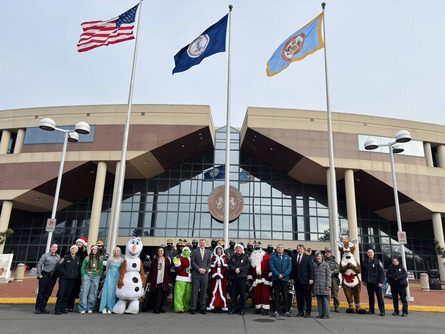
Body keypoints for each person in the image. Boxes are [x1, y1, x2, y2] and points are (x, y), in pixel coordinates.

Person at [54, 245, 81, 315]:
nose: (74, 250)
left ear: (77, 251)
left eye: (75, 249)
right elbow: (59, 266)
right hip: (64, 278)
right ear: (70, 250)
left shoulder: (78, 258)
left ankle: (63, 308)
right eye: (73, 249)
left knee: (68, 293)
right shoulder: (65, 257)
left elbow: (78, 268)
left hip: (72, 279)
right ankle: (57, 309)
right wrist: (64, 273)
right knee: (61, 293)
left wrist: (76, 274)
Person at [35, 243, 61, 314]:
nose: (54, 248)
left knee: (48, 293)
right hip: (45, 275)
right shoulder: (45, 255)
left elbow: (59, 266)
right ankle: (38, 308)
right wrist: (39, 274)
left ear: (57, 249)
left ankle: (43, 307)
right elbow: (39, 264)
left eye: (56, 247)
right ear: (50, 248)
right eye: (53, 247)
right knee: (41, 292)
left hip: (53, 277)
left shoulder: (58, 257)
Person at [269, 244, 292, 317]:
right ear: (276, 249)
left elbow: (289, 267)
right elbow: (271, 266)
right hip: (276, 278)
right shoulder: (273, 257)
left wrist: (283, 275)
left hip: (284, 279)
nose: (279, 249)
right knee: (276, 295)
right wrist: (278, 274)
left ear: (283, 249)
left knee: (285, 295)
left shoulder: (287, 257)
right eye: (278, 248)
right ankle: (276, 310)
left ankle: (286, 311)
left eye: (281, 248)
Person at [79, 244, 103, 313]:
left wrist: (99, 275)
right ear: (91, 250)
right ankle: (83, 308)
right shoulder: (87, 258)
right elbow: (83, 267)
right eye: (93, 249)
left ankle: (90, 307)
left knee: (93, 292)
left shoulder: (100, 259)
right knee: (84, 291)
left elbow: (101, 268)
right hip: (87, 276)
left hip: (96, 276)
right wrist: (84, 275)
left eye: (96, 249)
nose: (95, 250)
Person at [99, 247, 124, 314]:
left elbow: (122, 270)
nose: (116, 251)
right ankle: (104, 307)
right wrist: (106, 277)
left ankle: (111, 307)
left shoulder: (122, 260)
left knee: (114, 292)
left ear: (120, 252)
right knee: (107, 291)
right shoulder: (110, 259)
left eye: (117, 250)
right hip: (109, 277)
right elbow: (106, 269)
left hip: (117, 277)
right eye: (115, 250)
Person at [249, 243, 272, 315]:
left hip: (265, 278)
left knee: (265, 294)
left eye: (258, 249)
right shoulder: (251, 257)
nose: (257, 250)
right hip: (256, 279)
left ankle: (265, 309)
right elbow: (249, 268)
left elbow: (271, 266)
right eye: (256, 249)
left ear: (261, 249)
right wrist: (250, 277)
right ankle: (258, 308)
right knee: (257, 294)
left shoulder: (266, 257)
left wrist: (270, 276)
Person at [292, 244, 314, 318]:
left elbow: (311, 269)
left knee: (308, 297)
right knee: (299, 297)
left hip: (306, 281)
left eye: (301, 249)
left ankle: (308, 312)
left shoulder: (308, 258)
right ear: (297, 250)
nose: (299, 250)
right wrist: (292, 278)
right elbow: (292, 269)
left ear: (303, 250)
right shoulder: (294, 257)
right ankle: (300, 311)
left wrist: (311, 278)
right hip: (297, 281)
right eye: (298, 249)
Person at [228, 243, 251, 315]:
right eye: (237, 248)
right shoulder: (232, 257)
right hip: (234, 277)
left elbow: (248, 265)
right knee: (234, 294)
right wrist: (234, 269)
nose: (238, 249)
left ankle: (242, 308)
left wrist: (240, 269)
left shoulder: (245, 257)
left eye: (240, 248)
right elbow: (229, 265)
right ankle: (234, 307)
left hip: (242, 277)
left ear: (242, 249)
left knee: (242, 293)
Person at [147, 246, 171, 314]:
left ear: (164, 252)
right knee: (157, 294)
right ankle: (156, 308)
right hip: (156, 280)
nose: (160, 252)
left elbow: (168, 271)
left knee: (163, 294)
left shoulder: (166, 260)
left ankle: (161, 307)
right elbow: (151, 270)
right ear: (157, 252)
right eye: (159, 251)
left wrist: (169, 280)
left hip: (164, 280)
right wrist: (149, 281)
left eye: (161, 251)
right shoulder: (154, 260)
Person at [190, 239, 212, 314]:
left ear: (205, 244)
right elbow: (192, 262)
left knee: (203, 292)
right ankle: (193, 307)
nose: (202, 244)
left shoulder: (208, 252)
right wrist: (198, 269)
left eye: (204, 243)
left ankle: (203, 308)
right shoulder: (194, 251)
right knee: (194, 292)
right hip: (196, 274)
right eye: (201, 243)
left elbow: (209, 263)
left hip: (205, 275)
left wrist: (205, 269)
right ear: (199, 244)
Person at [67, 236, 88, 312]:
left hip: (78, 275)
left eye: (81, 243)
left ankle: (70, 306)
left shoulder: (84, 253)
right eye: (78, 242)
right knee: (68, 290)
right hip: (69, 274)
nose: (79, 244)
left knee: (74, 290)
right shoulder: (71, 251)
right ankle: (65, 305)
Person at [362, 249, 385, 316]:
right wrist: (364, 280)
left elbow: (381, 273)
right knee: (370, 297)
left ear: (373, 253)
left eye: (371, 252)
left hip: (376, 282)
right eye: (368, 252)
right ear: (367, 254)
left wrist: (380, 282)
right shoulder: (365, 262)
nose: (370, 253)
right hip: (369, 282)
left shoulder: (377, 262)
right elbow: (363, 273)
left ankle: (382, 311)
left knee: (379, 297)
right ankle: (371, 310)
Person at [208, 245, 229, 312]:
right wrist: (215, 274)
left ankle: (221, 305)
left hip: (222, 277)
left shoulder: (225, 257)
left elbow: (225, 267)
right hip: (215, 277)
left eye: (220, 249)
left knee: (222, 291)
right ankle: (214, 305)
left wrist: (221, 274)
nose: (219, 251)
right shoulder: (213, 257)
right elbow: (212, 267)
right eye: (217, 250)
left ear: (222, 250)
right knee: (214, 290)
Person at [172, 246, 193, 313]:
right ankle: (179, 308)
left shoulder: (192, 258)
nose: (186, 252)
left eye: (187, 250)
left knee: (188, 295)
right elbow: (178, 269)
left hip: (189, 278)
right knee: (179, 294)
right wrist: (177, 264)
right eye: (185, 250)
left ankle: (187, 307)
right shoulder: (180, 258)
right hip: (181, 278)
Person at [313, 251, 331, 319]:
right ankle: (321, 314)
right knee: (319, 301)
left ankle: (326, 314)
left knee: (325, 301)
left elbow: (329, 276)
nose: (318, 258)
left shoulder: (326, 265)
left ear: (322, 258)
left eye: (320, 257)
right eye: (317, 257)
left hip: (324, 285)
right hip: (317, 285)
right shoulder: (314, 265)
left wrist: (328, 285)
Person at [324, 247, 340, 312]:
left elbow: (338, 269)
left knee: (335, 293)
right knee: (326, 293)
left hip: (333, 278)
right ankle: (326, 306)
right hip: (325, 279)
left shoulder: (334, 261)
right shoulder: (323, 260)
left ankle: (336, 307)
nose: (328, 254)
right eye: (326, 252)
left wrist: (332, 271)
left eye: (329, 252)